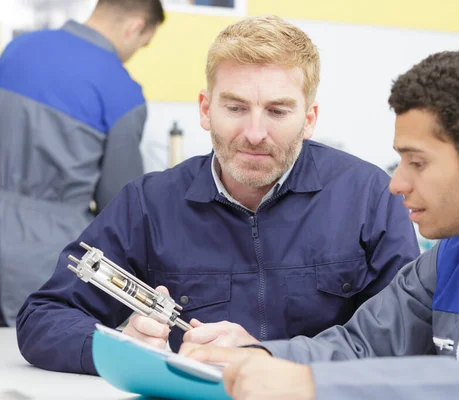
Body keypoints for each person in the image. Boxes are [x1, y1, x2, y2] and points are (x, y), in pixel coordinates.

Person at [179, 48, 459, 399]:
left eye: (417, 162)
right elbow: (359, 346)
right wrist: (258, 358)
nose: (396, 183)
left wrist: (312, 385)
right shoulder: (451, 256)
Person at [16, 15, 420, 374]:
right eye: (236, 108)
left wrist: (269, 357)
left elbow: (406, 338)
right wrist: (122, 350)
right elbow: (43, 317)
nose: (255, 134)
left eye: (278, 111)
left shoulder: (370, 197)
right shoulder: (149, 203)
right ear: (206, 110)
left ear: (309, 118)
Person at [0, 0, 164, 327]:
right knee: (30, 367)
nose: (133, 54)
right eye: (142, 45)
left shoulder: (17, 48)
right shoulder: (122, 93)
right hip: (43, 256)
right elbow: (118, 206)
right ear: (135, 27)